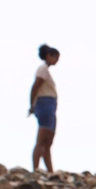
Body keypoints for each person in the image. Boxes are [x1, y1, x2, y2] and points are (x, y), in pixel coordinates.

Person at [29, 44, 60, 172]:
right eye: (56, 57)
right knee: (41, 140)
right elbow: (34, 88)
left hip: (50, 106)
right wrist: (32, 105)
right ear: (49, 56)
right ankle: (36, 169)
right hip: (45, 105)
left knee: (48, 142)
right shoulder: (42, 69)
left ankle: (50, 171)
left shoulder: (46, 70)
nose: (57, 60)